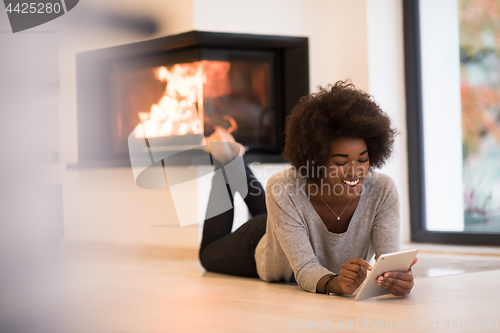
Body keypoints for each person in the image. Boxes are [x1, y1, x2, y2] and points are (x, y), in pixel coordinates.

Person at [199, 81, 417, 296]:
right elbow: (304, 270)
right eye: (342, 162)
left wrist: (398, 281)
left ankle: (231, 161)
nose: (355, 171)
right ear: (317, 160)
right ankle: (225, 162)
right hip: (261, 242)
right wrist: (336, 283)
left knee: (279, 204)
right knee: (207, 254)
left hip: (291, 221)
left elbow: (388, 265)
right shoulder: (284, 187)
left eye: (363, 159)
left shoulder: (382, 189)